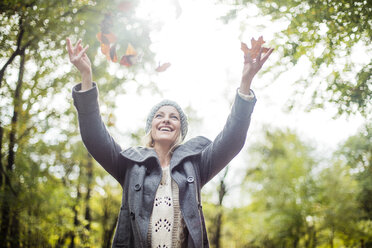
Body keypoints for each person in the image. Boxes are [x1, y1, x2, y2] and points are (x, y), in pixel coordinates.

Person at [67, 37, 273, 248]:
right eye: (159, 115)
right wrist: (85, 75)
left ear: (179, 132)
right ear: (151, 128)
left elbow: (232, 139)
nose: (166, 119)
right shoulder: (130, 165)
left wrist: (246, 82)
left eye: (173, 117)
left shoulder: (195, 165)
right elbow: (94, 136)